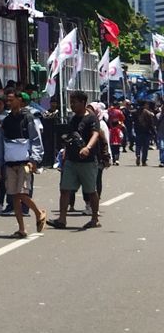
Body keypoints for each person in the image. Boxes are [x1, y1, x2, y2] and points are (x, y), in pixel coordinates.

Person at [0, 92, 47, 238]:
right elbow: (1, 144)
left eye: (11, 100)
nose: (8, 102)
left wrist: (34, 160)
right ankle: (21, 229)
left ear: (20, 101)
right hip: (10, 163)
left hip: (25, 163)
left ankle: (39, 213)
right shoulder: (6, 121)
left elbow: (36, 141)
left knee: (21, 194)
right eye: (8, 100)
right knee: (14, 197)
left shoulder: (29, 118)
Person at [48, 93, 103, 230]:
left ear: (83, 102)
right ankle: (62, 219)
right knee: (65, 189)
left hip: (88, 161)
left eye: (75, 102)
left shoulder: (91, 118)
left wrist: (87, 147)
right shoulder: (73, 119)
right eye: (71, 102)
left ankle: (94, 219)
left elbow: (95, 134)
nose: (72, 105)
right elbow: (70, 137)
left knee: (91, 191)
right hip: (71, 161)